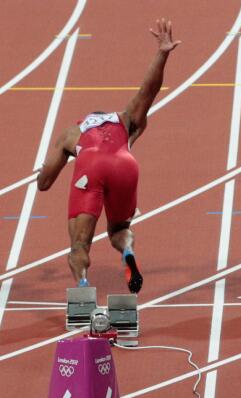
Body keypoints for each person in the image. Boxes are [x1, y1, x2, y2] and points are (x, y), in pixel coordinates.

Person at [36, 19, 181, 294]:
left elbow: (44, 183)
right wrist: (162, 54)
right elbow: (146, 93)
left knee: (79, 244)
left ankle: (82, 284)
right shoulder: (124, 120)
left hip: (90, 164)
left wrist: (43, 172)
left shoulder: (71, 133)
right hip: (124, 164)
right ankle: (127, 250)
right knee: (119, 229)